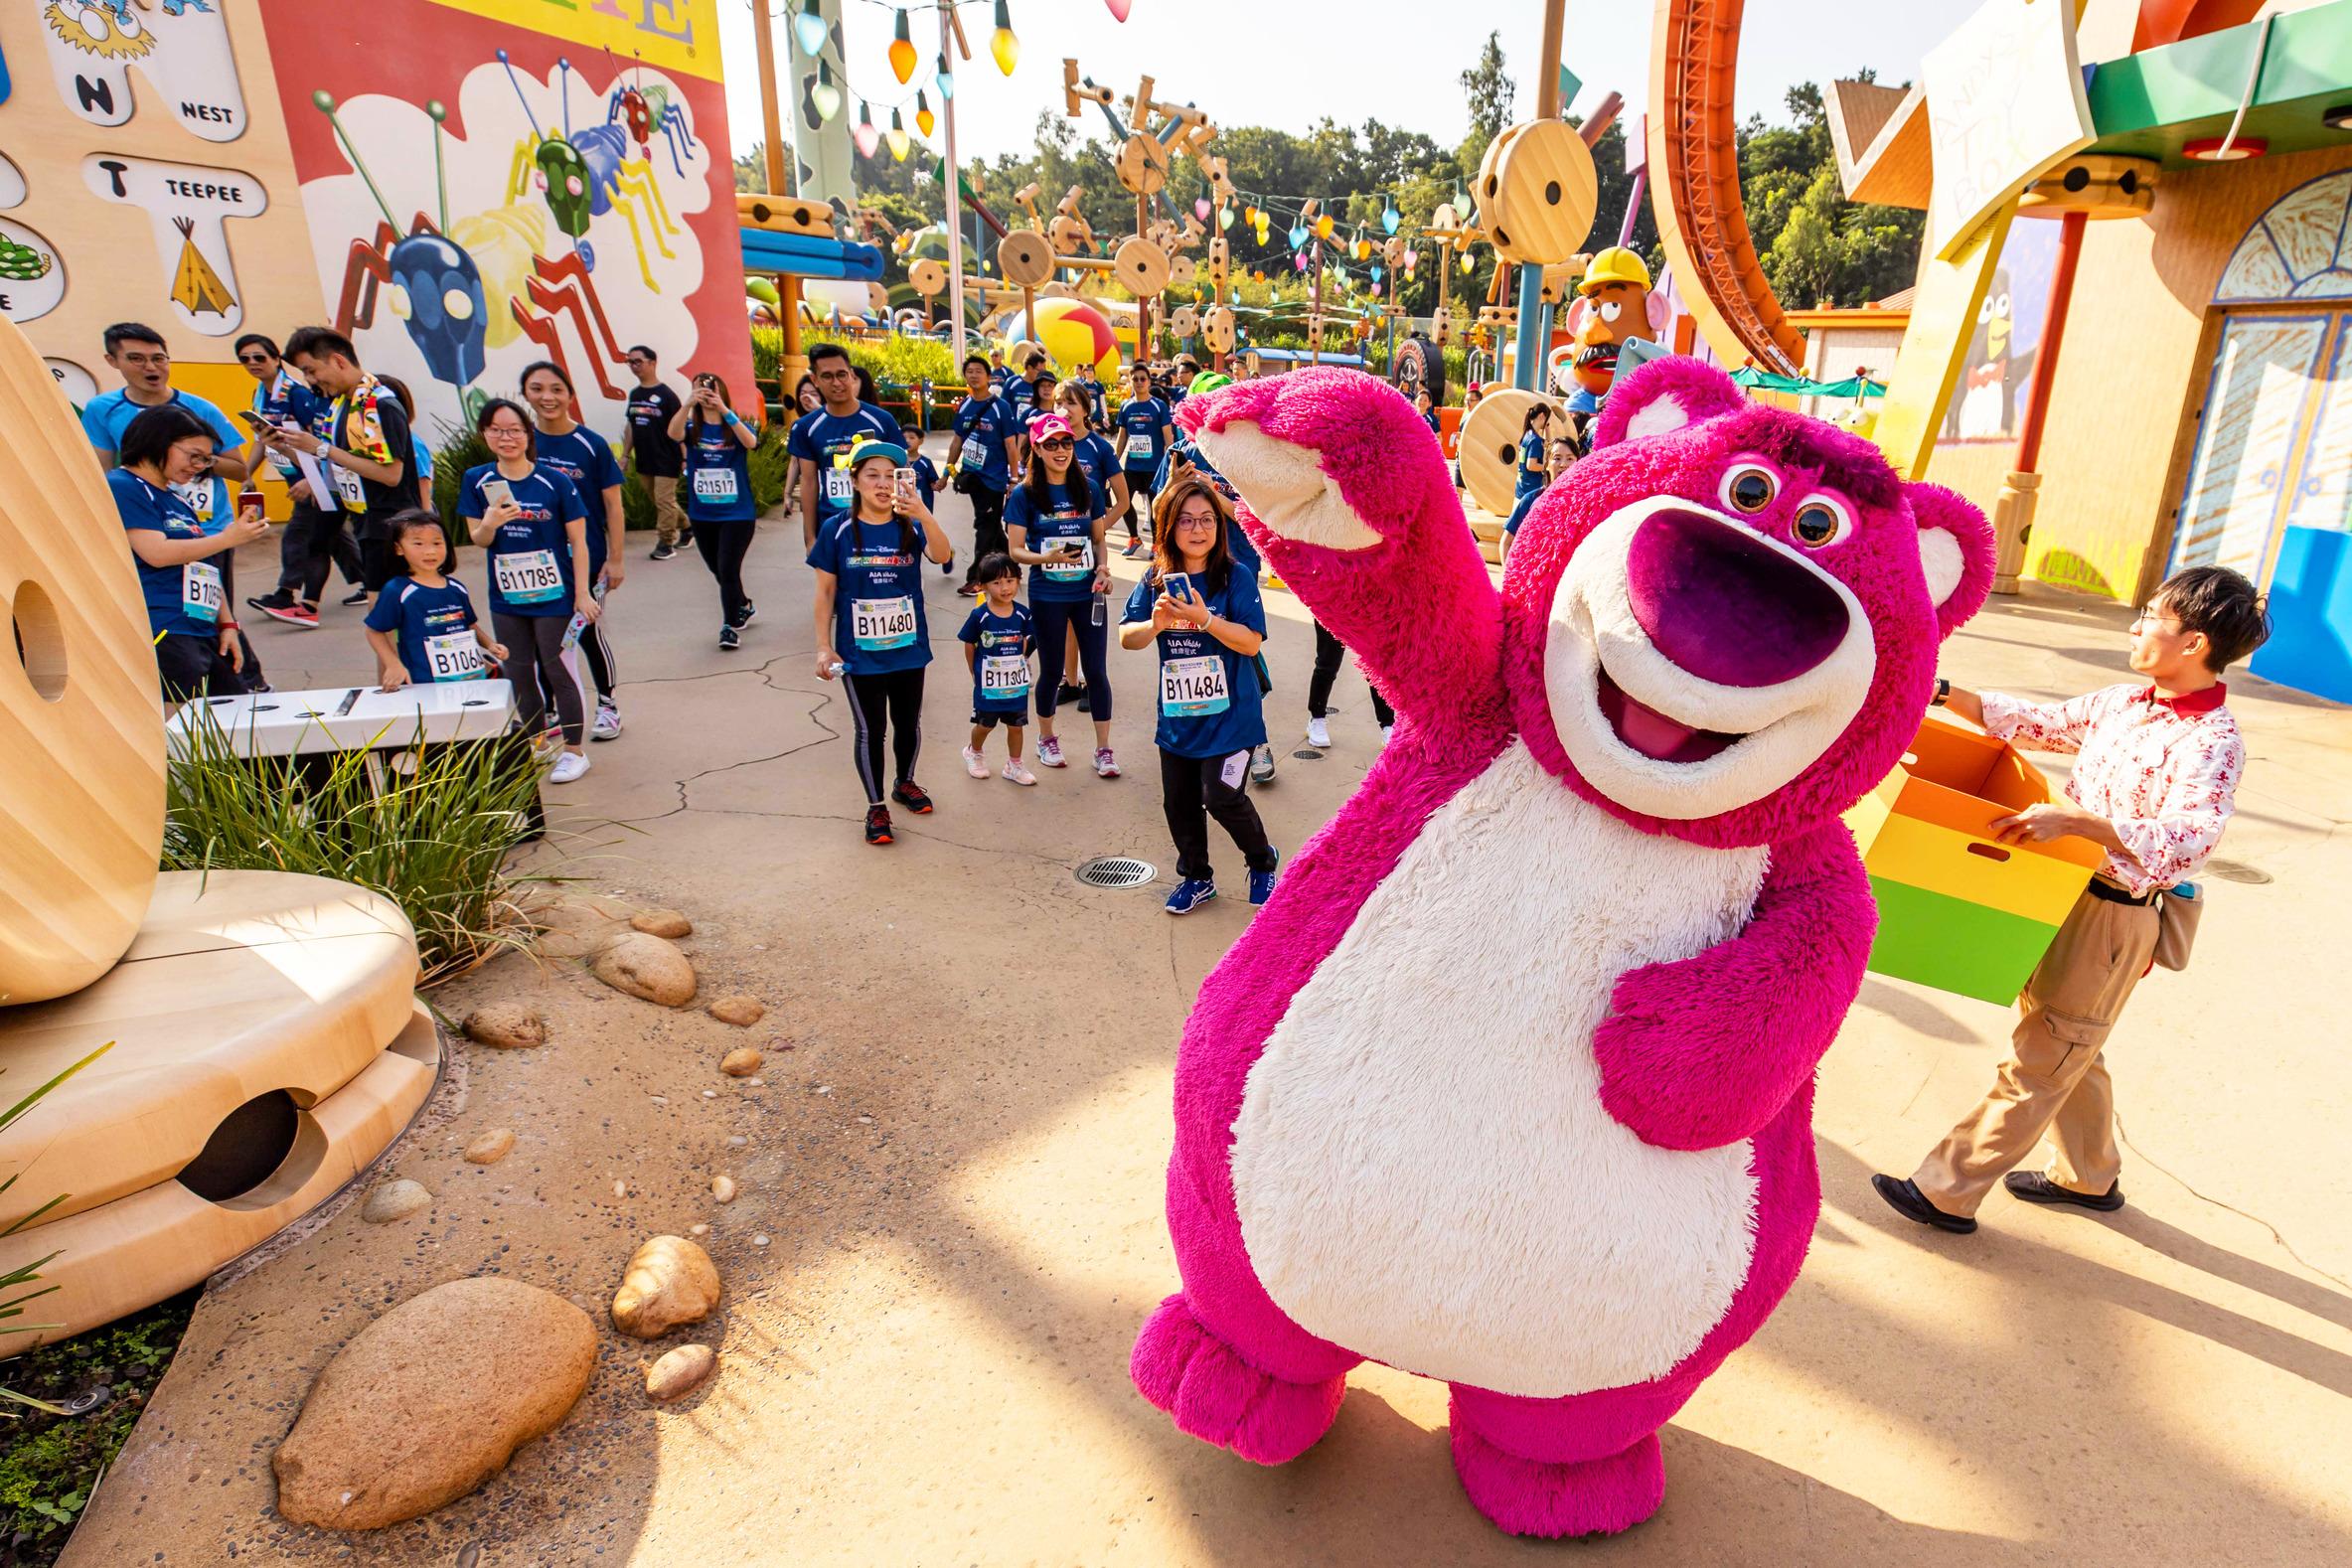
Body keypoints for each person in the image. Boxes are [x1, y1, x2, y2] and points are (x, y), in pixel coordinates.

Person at [1873, 567, 2272, 1236]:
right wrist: (1938, 692)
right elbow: (2033, 723)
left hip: (2112, 915)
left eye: (2151, 617)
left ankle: (1945, 1189)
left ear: (2194, 643)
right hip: (2056, 890)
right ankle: (2089, 1177)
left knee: (2044, 1056)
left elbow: (2190, 841)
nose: (2135, 627)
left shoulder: (2212, 743)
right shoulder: (2122, 703)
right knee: (2067, 1042)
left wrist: (2079, 824)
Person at [1120, 474, 1279, 915]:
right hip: (1179, 720)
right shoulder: (1156, 578)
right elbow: (1127, 638)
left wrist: (1204, 619)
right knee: (1180, 804)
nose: (1198, 529)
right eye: (1187, 520)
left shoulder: (1235, 577)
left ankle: (1262, 861)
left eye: (1207, 519)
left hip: (1233, 720)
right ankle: (1196, 877)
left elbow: (1251, 642)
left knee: (1222, 797)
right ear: (1169, 526)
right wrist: (1154, 625)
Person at [808, 434, 954, 845]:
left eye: (891, 475)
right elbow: (824, 592)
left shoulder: (910, 524)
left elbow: (943, 555)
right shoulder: (836, 529)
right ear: (854, 481)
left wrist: (924, 514)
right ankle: (875, 807)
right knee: (871, 730)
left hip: (908, 648)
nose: (883, 483)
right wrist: (823, 645)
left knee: (908, 722)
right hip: (860, 654)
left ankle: (905, 782)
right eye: (872, 475)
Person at [460, 397, 598, 783]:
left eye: (515, 430)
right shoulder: (477, 480)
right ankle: (536, 744)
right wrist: (490, 522)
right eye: (497, 430)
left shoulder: (554, 481)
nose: (506, 438)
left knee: (557, 668)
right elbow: (478, 539)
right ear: (484, 434)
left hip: (555, 596)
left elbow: (579, 542)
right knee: (518, 669)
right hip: (506, 597)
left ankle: (574, 751)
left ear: (528, 434)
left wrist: (582, 593)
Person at [110, 405, 267, 701]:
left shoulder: (175, 497)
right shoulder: (124, 486)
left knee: (233, 710)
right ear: (158, 441)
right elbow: (156, 553)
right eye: (193, 455)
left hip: (201, 628)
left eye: (206, 459)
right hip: (164, 626)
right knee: (183, 719)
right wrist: (226, 538)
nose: (199, 466)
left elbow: (203, 565)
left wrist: (227, 624)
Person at [1005, 413, 1117, 779]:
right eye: (1050, 444)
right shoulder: (1024, 494)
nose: (1060, 450)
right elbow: (1015, 550)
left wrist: (1103, 569)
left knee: (1096, 671)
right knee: (1051, 670)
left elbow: (1098, 540)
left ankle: (1103, 749)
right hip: (1048, 594)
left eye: (1066, 442)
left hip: (1087, 594)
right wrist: (1045, 558)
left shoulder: (1090, 488)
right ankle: (1047, 739)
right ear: (1037, 449)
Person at [522, 361, 626, 741]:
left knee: (586, 631)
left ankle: (608, 706)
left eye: (556, 389)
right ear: (525, 394)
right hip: (534, 561)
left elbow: (613, 505)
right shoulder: (522, 441)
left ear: (570, 395)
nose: (547, 397)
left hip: (586, 557)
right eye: (537, 389)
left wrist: (615, 558)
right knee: (541, 635)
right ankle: (550, 709)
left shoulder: (590, 444)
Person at [275, 327, 412, 603]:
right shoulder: (341, 406)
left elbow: (391, 475)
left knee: (390, 615)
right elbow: (331, 465)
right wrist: (283, 447)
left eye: (311, 370)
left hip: (391, 528)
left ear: (338, 361)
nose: (310, 380)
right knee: (380, 615)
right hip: (366, 524)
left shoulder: (380, 404)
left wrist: (323, 448)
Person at [236, 333, 363, 627]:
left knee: (299, 535)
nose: (252, 363)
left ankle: (288, 594)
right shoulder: (260, 395)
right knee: (330, 537)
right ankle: (367, 579)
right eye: (245, 359)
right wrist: (247, 474)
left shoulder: (297, 394)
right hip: (297, 475)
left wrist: (313, 478)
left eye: (259, 357)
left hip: (314, 478)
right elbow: (263, 440)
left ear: (275, 359)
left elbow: (318, 440)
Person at [80, 322, 246, 478]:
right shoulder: (101, 408)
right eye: (136, 358)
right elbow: (103, 472)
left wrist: (195, 458)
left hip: (201, 500)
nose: (151, 367)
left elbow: (241, 471)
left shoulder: (202, 409)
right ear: (112, 360)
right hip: (141, 498)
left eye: (158, 358)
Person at [364, 511, 504, 691]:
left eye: (437, 543)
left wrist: (490, 644)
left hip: (470, 679)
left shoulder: (456, 588)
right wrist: (393, 664)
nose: (430, 551)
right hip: (425, 684)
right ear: (399, 548)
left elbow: (469, 624)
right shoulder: (398, 591)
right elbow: (374, 631)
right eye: (418, 544)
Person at [673, 372, 761, 648]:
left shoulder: (733, 425)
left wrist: (723, 409)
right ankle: (742, 603)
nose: (706, 394)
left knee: (727, 567)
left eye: (711, 389)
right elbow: (672, 433)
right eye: (699, 389)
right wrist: (688, 403)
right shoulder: (691, 429)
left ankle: (729, 625)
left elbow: (751, 442)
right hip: (703, 514)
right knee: (719, 570)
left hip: (737, 514)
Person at [789, 342, 906, 547]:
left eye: (841, 374)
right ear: (815, 380)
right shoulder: (805, 427)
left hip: (881, 525)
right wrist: (810, 538)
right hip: (832, 526)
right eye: (827, 376)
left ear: (851, 375)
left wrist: (907, 525)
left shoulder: (882, 420)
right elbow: (808, 482)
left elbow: (902, 473)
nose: (836, 383)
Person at [957, 551, 1037, 786]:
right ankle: (974, 752)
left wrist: (1021, 661)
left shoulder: (1022, 613)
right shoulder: (980, 616)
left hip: (1014, 685)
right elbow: (969, 644)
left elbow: (1024, 640)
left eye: (1010, 581)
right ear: (983, 586)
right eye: (997, 582)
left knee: (1016, 726)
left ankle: (1014, 765)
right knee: (985, 724)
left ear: (1018, 580)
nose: (1005, 588)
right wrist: (974, 672)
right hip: (989, 686)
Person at [947, 353, 1020, 597]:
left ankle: (976, 578)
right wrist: (947, 471)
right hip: (972, 479)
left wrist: (1013, 479)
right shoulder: (965, 405)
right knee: (991, 525)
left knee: (985, 528)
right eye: (970, 371)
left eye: (979, 371)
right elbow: (957, 441)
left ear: (989, 377)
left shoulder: (1001, 408)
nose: (974, 375)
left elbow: (1011, 445)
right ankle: (1012, 564)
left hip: (994, 480)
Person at [623, 344, 690, 560]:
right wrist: (625, 455)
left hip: (667, 457)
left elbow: (680, 428)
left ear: (652, 363)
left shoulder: (666, 395)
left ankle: (665, 543)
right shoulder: (635, 394)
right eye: (630, 362)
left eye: (638, 361)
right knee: (660, 501)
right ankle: (687, 527)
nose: (634, 366)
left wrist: (685, 457)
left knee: (664, 501)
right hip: (645, 458)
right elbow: (631, 425)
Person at [1306, 616, 1394, 749]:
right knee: (1328, 662)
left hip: (1371, 608)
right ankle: (1316, 718)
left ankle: (1388, 725)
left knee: (1377, 664)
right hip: (1334, 607)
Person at [1114, 364, 1173, 557]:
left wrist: (1170, 461)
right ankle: (1134, 538)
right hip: (1132, 466)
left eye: (1142, 379)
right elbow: (1122, 436)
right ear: (1130, 382)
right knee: (1123, 502)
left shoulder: (1158, 406)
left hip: (1154, 466)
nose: (1139, 382)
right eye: (1135, 379)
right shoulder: (1126, 406)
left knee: (1156, 506)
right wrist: (1114, 460)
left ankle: (1156, 544)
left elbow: (1168, 436)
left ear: (1148, 381)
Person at [1499, 402, 1552, 563]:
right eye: (1546, 420)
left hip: (1521, 488)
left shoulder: (1527, 435)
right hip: (1530, 490)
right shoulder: (1535, 440)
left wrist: (1547, 430)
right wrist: (1548, 466)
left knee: (1513, 532)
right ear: (1542, 416)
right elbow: (1531, 464)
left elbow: (1548, 446)